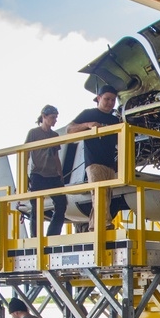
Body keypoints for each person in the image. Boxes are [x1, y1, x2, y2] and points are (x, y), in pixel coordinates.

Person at [66, 84, 121, 230]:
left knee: (105, 197)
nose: (110, 103)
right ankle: (104, 224)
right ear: (98, 98)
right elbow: (69, 129)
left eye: (113, 100)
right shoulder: (89, 113)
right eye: (107, 99)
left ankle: (94, 226)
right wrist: (88, 125)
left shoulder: (115, 120)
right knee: (99, 194)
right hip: (95, 162)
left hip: (109, 163)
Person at [25, 105, 66, 237]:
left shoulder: (55, 135)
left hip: (53, 175)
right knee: (36, 208)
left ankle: (52, 235)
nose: (55, 120)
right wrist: (24, 175)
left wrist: (60, 175)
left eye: (56, 118)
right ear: (44, 117)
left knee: (61, 203)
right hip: (38, 174)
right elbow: (25, 153)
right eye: (52, 117)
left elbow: (56, 156)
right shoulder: (34, 133)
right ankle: (35, 239)